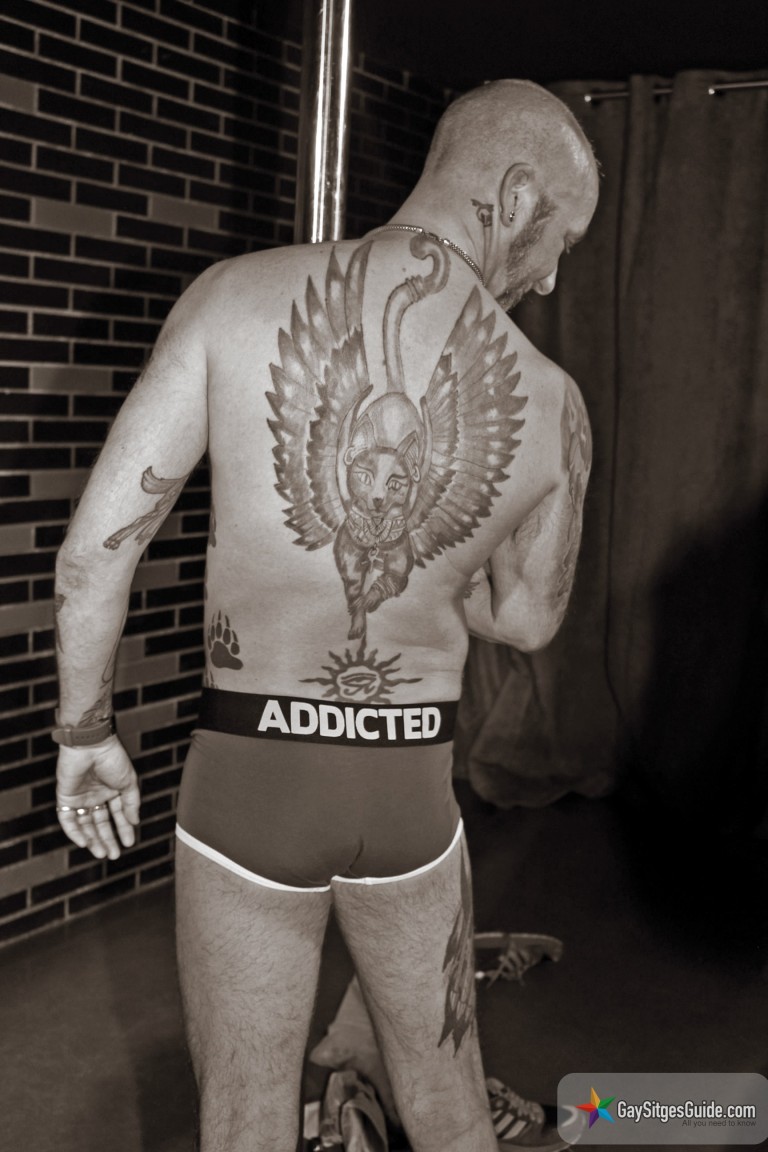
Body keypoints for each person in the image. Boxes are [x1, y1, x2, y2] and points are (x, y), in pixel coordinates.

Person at [53, 79, 599, 1152]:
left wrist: (84, 732)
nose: (548, 276)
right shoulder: (552, 401)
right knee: (447, 1111)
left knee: (245, 1125)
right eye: (560, 240)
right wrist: (438, 565)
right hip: (408, 789)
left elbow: (92, 555)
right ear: (513, 195)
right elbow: (530, 619)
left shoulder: (233, 298)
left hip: (251, 779)